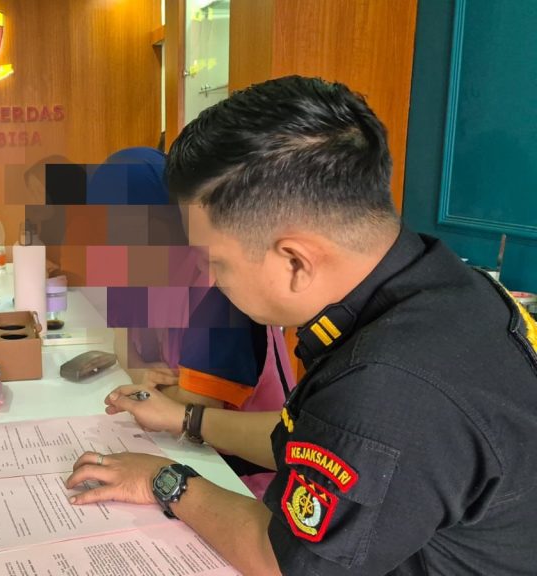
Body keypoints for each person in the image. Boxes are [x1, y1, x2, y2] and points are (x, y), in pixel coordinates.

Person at [66, 76, 537, 574]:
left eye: (215, 261)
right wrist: (188, 420)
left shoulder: (388, 385)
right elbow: (317, 438)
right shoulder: (440, 284)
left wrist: (164, 480)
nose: (207, 277)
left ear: (294, 261)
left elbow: (280, 560)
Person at [89, 147, 294, 498]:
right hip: (187, 453)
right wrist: (139, 372)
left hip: (246, 480)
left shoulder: (219, 291)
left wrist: (149, 387)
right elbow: (122, 339)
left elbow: (193, 408)